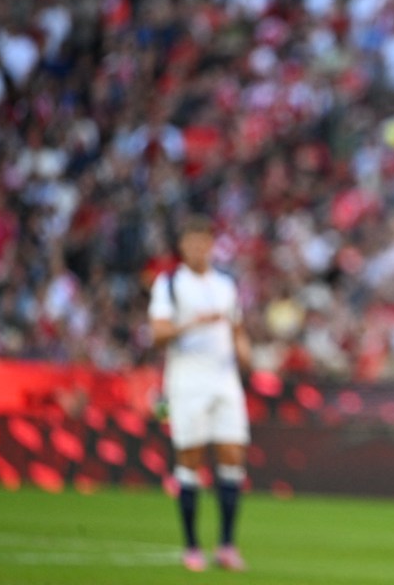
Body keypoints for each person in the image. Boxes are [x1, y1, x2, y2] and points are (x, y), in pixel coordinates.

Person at [148, 214, 253, 572]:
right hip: (187, 379)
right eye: (191, 243)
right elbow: (158, 334)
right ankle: (192, 545)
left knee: (232, 454)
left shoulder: (226, 284)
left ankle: (226, 544)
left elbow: (237, 328)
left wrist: (245, 353)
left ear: (210, 245)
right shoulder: (170, 284)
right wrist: (193, 324)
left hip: (224, 379)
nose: (198, 249)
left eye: (203, 242)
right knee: (190, 458)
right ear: (182, 247)